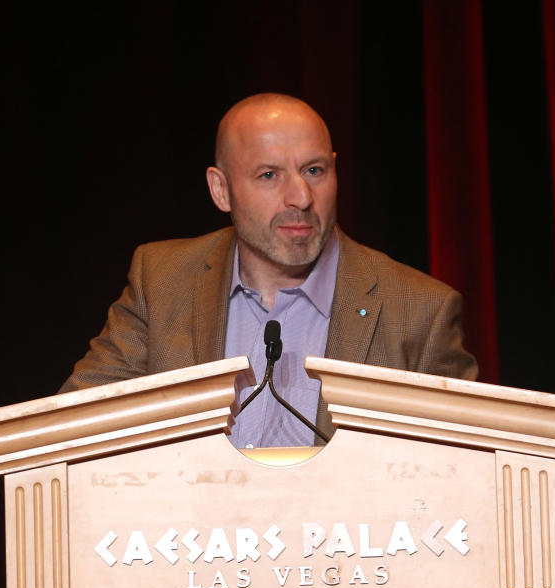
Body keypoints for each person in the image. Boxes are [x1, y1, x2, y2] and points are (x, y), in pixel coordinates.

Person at [60, 93, 477, 447]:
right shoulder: (162, 278)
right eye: (268, 175)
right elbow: (70, 425)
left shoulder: (422, 310)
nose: (300, 196)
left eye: (314, 171)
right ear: (220, 189)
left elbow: (464, 470)